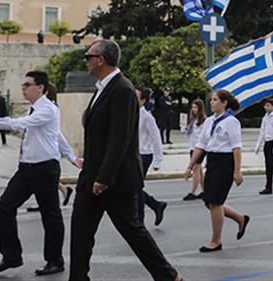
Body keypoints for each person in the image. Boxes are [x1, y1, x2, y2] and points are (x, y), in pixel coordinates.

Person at [66, 40, 180, 281]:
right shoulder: (102, 87)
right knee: (80, 233)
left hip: (114, 180)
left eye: (89, 55)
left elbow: (120, 138)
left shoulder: (123, 89)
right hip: (92, 177)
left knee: (134, 233)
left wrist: (104, 177)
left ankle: (169, 277)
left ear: (101, 60)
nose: (86, 60)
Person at [0, 71, 79, 276]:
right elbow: (58, 135)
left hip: (45, 169)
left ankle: (55, 261)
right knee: (5, 207)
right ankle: (11, 257)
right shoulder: (34, 109)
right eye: (23, 85)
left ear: (41, 88)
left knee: (50, 216)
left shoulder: (47, 110)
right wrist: (72, 156)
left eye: (27, 85)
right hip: (26, 169)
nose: (23, 89)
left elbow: (17, 124)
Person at [185, 89, 250, 252]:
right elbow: (200, 146)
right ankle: (240, 218)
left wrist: (237, 171)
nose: (211, 102)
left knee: (215, 202)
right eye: (211, 99)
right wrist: (190, 166)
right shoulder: (208, 122)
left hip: (225, 162)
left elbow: (236, 148)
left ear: (224, 103)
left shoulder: (231, 122)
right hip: (212, 161)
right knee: (209, 201)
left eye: (215, 100)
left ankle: (216, 241)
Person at [137, 88, 168, 226]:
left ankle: (140, 223)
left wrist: (158, 160)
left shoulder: (147, 117)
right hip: (129, 156)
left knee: (135, 188)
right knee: (131, 188)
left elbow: (156, 138)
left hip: (143, 156)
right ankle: (155, 205)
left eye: (136, 96)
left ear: (143, 101)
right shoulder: (126, 113)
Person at [182, 99, 207, 201]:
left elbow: (203, 135)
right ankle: (205, 191)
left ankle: (192, 192)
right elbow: (191, 133)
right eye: (192, 107)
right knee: (199, 169)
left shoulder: (204, 121)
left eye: (196, 107)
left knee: (195, 168)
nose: (193, 110)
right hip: (192, 147)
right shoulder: (193, 120)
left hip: (200, 148)